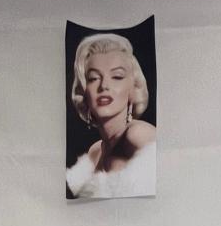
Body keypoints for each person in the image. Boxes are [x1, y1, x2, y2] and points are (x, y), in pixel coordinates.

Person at [66, 32, 155, 199]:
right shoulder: (94, 152)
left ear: (133, 89)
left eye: (117, 76)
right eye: (93, 78)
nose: (104, 86)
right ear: (84, 92)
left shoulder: (138, 133)